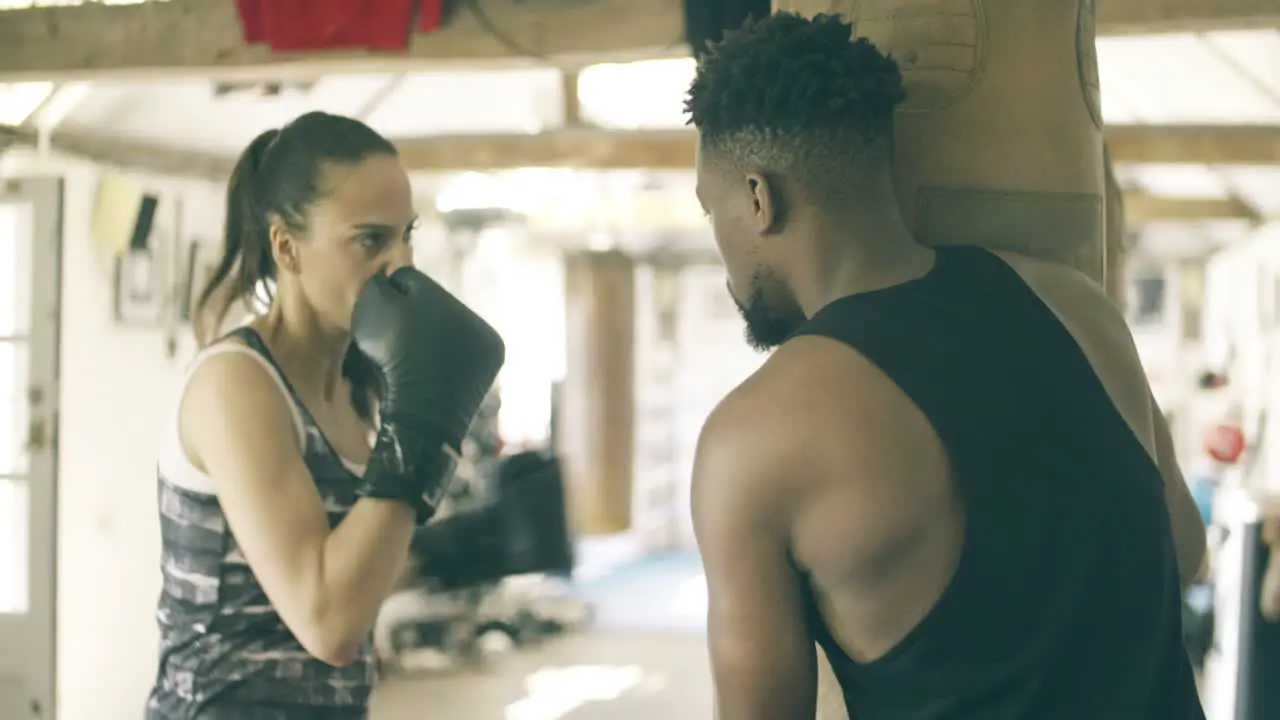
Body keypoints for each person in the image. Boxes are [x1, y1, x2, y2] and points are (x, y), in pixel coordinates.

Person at [685, 14, 1208, 720]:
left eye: (710, 210)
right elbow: (1185, 551)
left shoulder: (751, 440)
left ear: (756, 198)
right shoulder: (1079, 310)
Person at [147, 111, 505, 719]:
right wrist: (422, 427)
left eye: (406, 235)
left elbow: (354, 576)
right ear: (287, 247)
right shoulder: (237, 384)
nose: (401, 264)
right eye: (371, 240)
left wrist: (455, 552)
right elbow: (328, 621)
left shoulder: (357, 383)